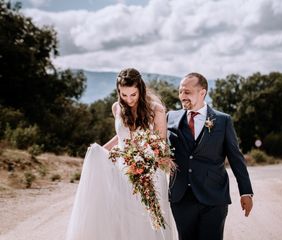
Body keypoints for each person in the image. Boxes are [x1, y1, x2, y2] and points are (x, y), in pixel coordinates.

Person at [66, 68, 178, 240]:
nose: (129, 100)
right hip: (123, 168)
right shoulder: (116, 107)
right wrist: (100, 151)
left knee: (147, 217)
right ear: (118, 92)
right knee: (123, 214)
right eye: (124, 95)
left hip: (149, 170)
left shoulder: (156, 109)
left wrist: (145, 159)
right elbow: (121, 136)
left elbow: (160, 142)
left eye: (133, 94)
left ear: (141, 88)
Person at [167, 73, 253, 240]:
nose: (182, 96)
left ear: (202, 93)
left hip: (214, 196)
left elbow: (236, 158)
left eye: (187, 92)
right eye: (180, 92)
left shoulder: (222, 121)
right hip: (181, 197)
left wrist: (246, 192)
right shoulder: (170, 117)